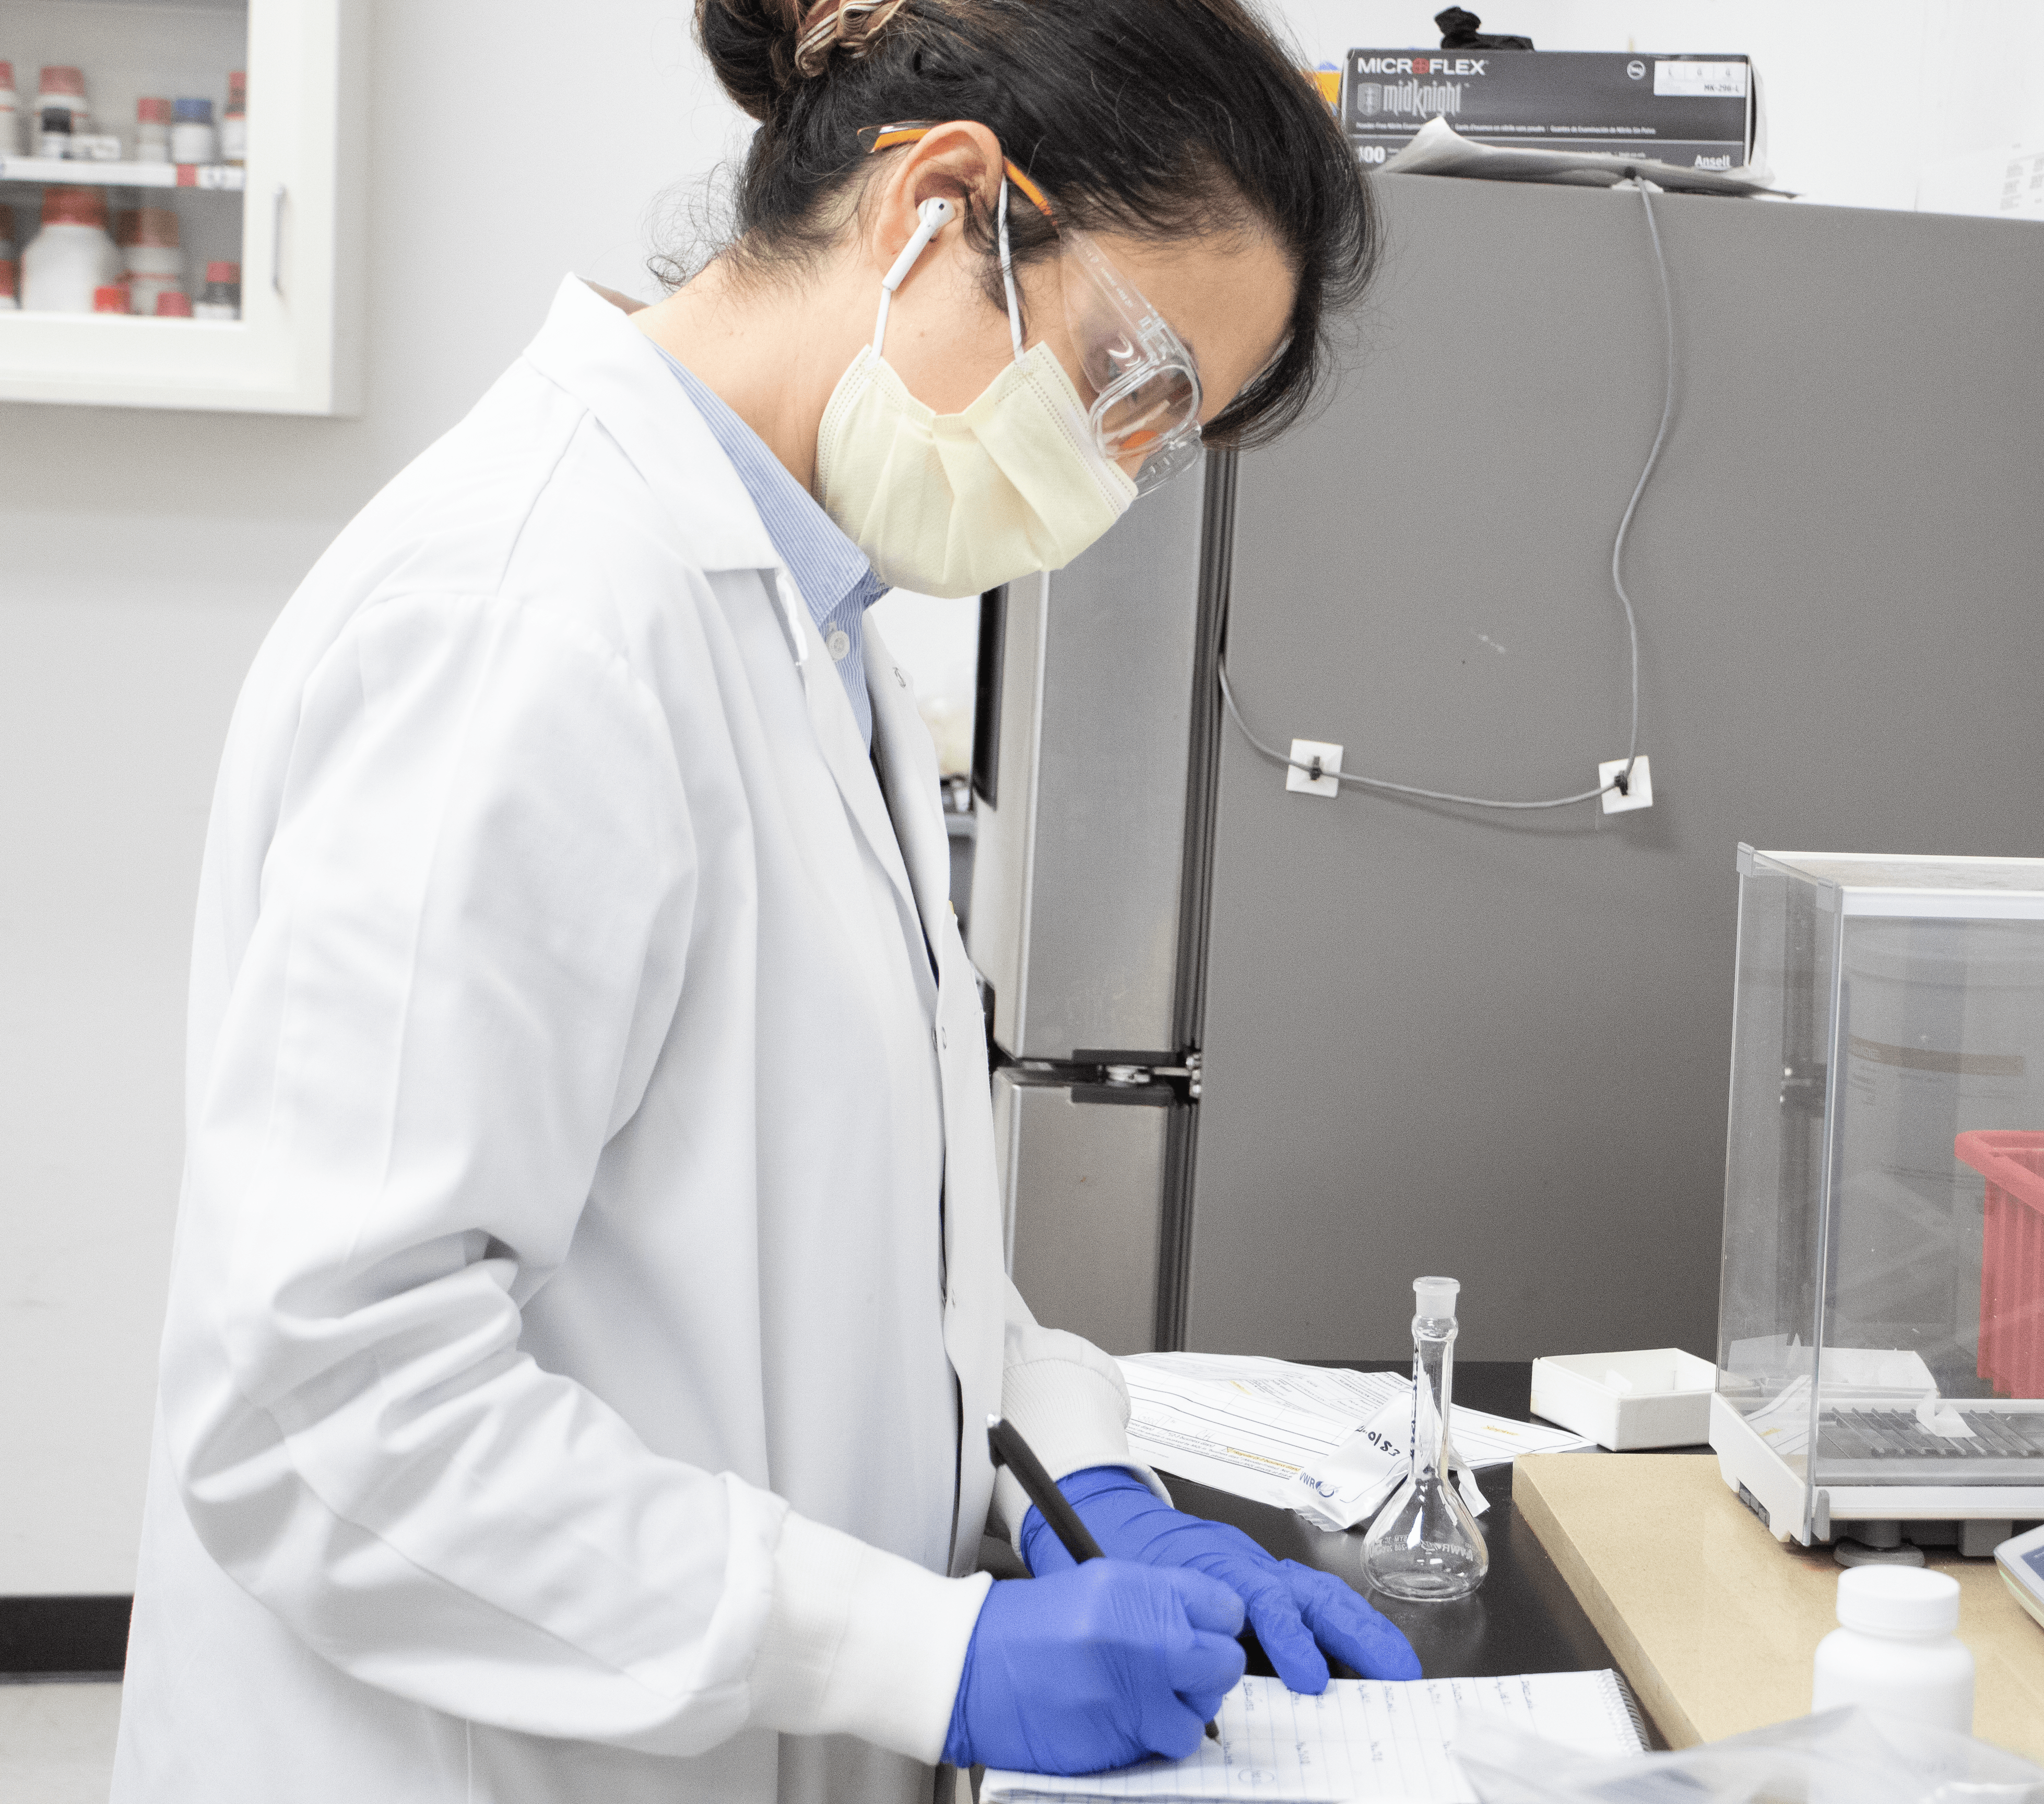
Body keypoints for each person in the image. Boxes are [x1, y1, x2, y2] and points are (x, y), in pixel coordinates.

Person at [108, 3, 1402, 1800]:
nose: (1113, 474)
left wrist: (1073, 1469)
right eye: (1128, 380)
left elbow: (855, 1249)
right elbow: (327, 1416)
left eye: (1164, 439)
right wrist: (927, 1657)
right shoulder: (527, 616)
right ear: (944, 202)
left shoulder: (807, 615)